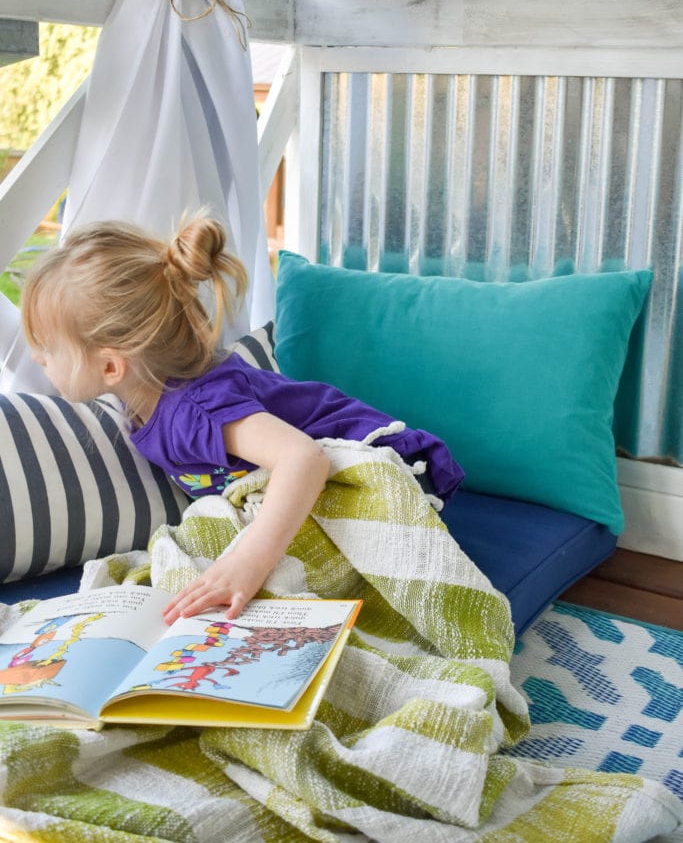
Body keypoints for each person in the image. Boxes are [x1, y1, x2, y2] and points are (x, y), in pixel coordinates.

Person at [21, 212, 464, 625]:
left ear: (112, 367)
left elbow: (304, 459)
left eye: (45, 344)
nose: (36, 356)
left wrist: (248, 562)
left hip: (383, 465)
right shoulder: (142, 398)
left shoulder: (194, 412)